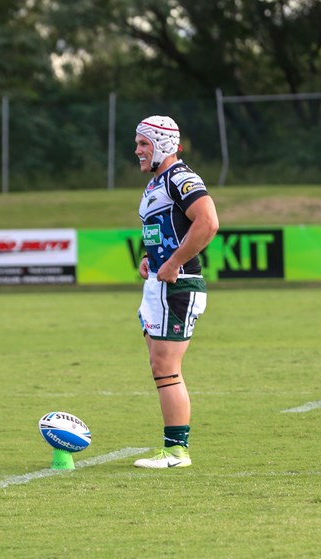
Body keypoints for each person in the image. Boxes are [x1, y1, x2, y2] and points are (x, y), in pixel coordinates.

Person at [131, 115, 219, 469]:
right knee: (159, 365)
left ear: (163, 144)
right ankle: (172, 449)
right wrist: (150, 259)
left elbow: (208, 222)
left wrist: (173, 263)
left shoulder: (181, 178)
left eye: (143, 143)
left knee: (166, 367)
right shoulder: (157, 183)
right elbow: (166, 228)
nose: (136, 150)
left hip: (178, 285)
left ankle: (176, 452)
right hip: (162, 283)